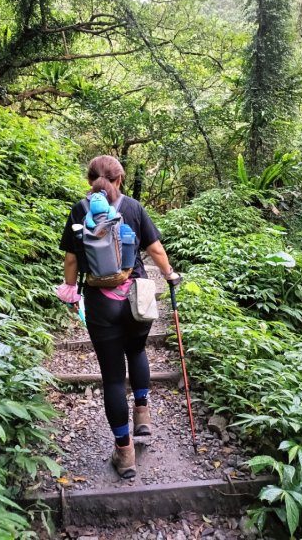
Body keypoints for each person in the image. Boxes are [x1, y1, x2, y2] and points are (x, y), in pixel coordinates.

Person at [56, 155, 181, 479]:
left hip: (101, 301)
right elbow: (155, 250)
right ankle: (143, 415)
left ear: (90, 181)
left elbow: (71, 260)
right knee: (138, 351)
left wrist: (71, 291)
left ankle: (124, 454)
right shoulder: (134, 208)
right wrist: (169, 275)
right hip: (136, 296)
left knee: (112, 377)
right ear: (120, 180)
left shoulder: (79, 210)